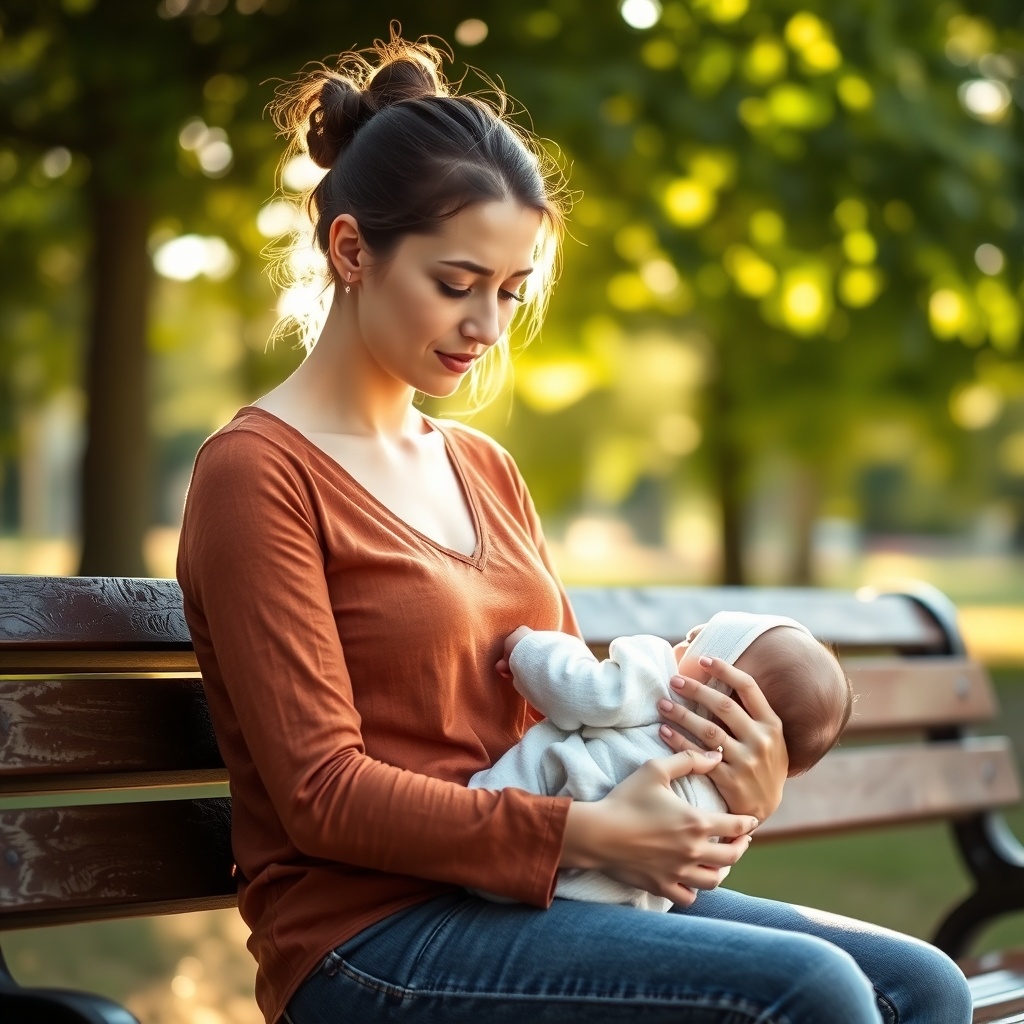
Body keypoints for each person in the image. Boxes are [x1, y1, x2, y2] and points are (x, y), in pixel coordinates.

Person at [175, 29, 972, 1024]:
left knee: (922, 985)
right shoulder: (258, 475)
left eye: (509, 292)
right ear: (352, 251)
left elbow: (569, 720)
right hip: (371, 940)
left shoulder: (484, 469)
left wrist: (729, 785)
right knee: (811, 995)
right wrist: (585, 836)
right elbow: (321, 794)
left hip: (540, 894)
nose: (486, 327)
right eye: (456, 284)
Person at [468, 611, 853, 911]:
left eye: (705, 638)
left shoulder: (657, 683)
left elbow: (581, 689)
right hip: (609, 909)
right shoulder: (722, 806)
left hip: (518, 819)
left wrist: (528, 649)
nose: (691, 633)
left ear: (717, 684)